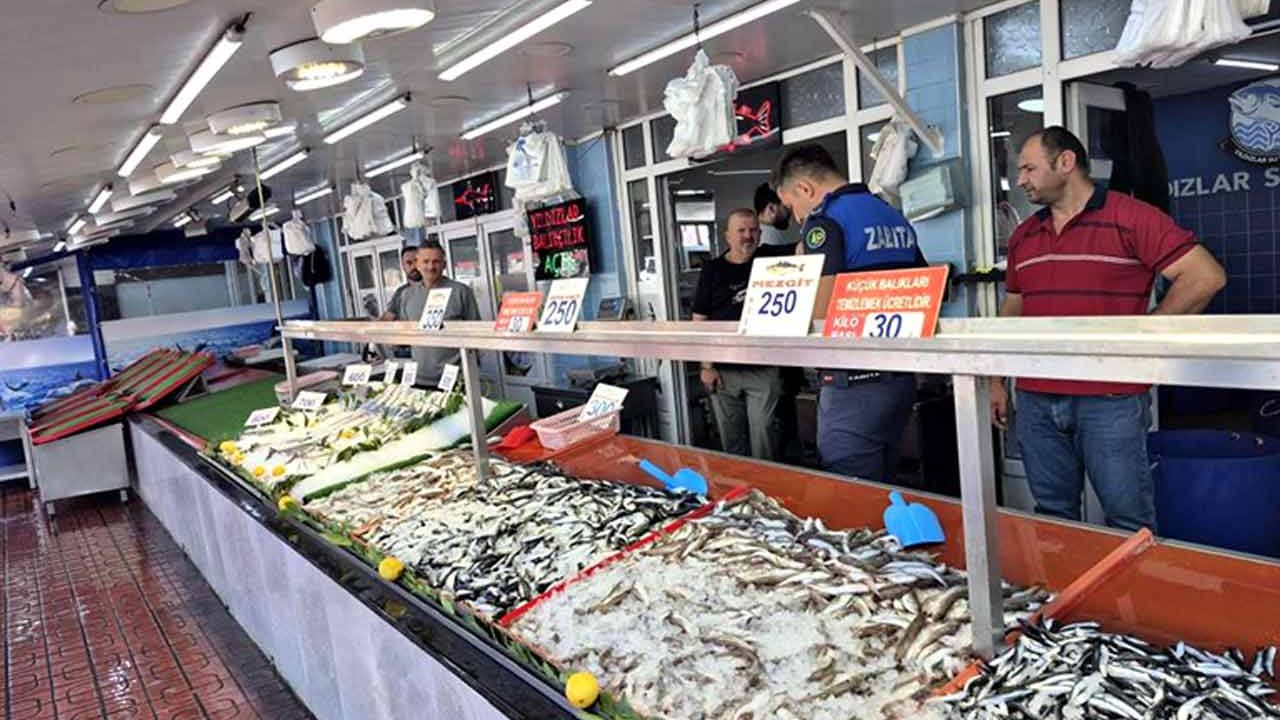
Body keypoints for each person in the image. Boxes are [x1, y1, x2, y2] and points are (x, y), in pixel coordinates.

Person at [990, 126, 1225, 531]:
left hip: (1109, 399)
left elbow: (1205, 276)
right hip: (1035, 399)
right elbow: (1014, 307)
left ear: (1066, 162)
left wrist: (1146, 334)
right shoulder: (1024, 236)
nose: (1021, 179)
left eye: (1029, 168)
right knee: (1053, 516)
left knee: (1128, 518)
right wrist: (996, 379)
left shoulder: (1131, 217)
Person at [773, 144, 927, 482]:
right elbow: (926, 288)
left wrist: (797, 273)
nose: (797, 218)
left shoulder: (825, 221)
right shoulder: (891, 214)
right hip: (899, 379)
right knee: (883, 482)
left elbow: (821, 311)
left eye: (792, 206)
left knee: (849, 489)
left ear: (804, 189)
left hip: (853, 383)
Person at [692, 209, 785, 459]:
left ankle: (764, 482)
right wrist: (706, 366)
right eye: (741, 231)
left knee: (764, 438)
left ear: (760, 234)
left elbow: (804, 249)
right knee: (731, 442)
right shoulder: (712, 270)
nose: (748, 236)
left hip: (763, 368)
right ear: (728, 236)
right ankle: (737, 483)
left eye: (753, 230)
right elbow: (700, 321)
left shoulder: (771, 258)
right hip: (724, 371)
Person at [395, 241, 482, 386]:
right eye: (426, 261)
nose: (431, 267)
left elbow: (477, 333)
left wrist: (472, 369)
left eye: (436, 261)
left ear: (444, 264)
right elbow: (405, 334)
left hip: (456, 379)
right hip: (419, 378)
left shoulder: (461, 292)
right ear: (417, 264)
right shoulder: (406, 295)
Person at [380, 246, 420, 359]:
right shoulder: (401, 292)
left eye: (416, 261)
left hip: (432, 349)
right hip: (406, 351)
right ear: (403, 266)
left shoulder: (436, 289)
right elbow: (387, 318)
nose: (414, 266)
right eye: (409, 263)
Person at [753, 183, 794, 247]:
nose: (791, 212)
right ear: (771, 209)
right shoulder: (770, 236)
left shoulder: (753, 232)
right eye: (786, 207)